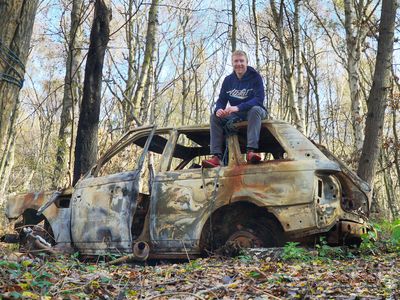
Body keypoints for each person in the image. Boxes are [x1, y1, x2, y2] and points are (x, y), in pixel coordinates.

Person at [202, 50, 267, 168]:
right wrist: (219, 109)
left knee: (255, 110)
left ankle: (251, 151)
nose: (239, 64)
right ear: (232, 64)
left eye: (242, 61)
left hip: (256, 112)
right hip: (237, 114)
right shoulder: (228, 80)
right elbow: (221, 100)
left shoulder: (255, 77)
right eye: (236, 61)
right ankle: (217, 157)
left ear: (247, 62)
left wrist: (238, 107)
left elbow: (259, 99)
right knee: (214, 118)